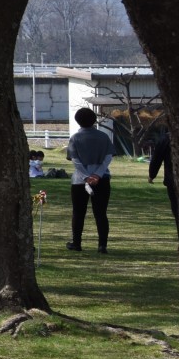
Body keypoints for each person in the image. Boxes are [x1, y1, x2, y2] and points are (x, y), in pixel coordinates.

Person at [66, 106, 114, 252]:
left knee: (78, 212)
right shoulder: (104, 137)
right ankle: (102, 245)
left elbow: (75, 160)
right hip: (102, 178)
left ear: (77, 121)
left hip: (80, 180)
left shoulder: (75, 138)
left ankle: (77, 243)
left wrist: (86, 176)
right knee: (100, 213)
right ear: (94, 120)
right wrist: (97, 175)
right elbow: (108, 158)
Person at [147, 126, 177, 221]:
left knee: (177, 210)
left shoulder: (166, 139)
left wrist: (152, 175)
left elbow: (156, 158)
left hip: (172, 179)